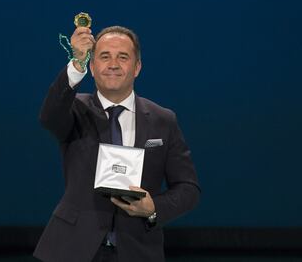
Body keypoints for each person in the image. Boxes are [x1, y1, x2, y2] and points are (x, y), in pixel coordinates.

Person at [33, 25, 200, 262]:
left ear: (137, 68)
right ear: (92, 67)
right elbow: (48, 117)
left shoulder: (164, 120)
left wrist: (153, 208)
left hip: (138, 251)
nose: (113, 64)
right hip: (72, 249)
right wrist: (77, 62)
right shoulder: (74, 110)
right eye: (104, 57)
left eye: (123, 57)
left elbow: (188, 189)